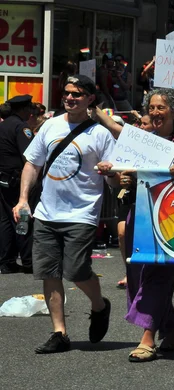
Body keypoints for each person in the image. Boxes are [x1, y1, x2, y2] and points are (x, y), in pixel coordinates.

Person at [13, 74, 118, 353]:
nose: (70, 98)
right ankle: (59, 333)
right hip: (46, 213)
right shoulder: (50, 126)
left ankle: (99, 305)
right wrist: (23, 199)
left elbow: (115, 181)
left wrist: (112, 172)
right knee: (49, 272)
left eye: (77, 94)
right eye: (67, 93)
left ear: (90, 100)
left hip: (81, 214)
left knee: (76, 271)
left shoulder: (100, 133)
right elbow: (32, 165)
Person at [121, 88, 174, 362]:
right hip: (139, 214)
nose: (154, 112)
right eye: (151, 107)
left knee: (159, 276)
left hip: (172, 218)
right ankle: (172, 325)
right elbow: (121, 178)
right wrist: (118, 176)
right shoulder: (139, 141)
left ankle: (148, 338)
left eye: (161, 107)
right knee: (138, 276)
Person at [0, 95, 35, 274]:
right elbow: (29, 156)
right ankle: (29, 261)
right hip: (16, 180)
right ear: (23, 109)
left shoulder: (3, 125)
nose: (31, 112)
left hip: (3, 178)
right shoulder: (21, 127)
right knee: (22, 218)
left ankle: (6, 261)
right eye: (30, 107)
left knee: (6, 221)